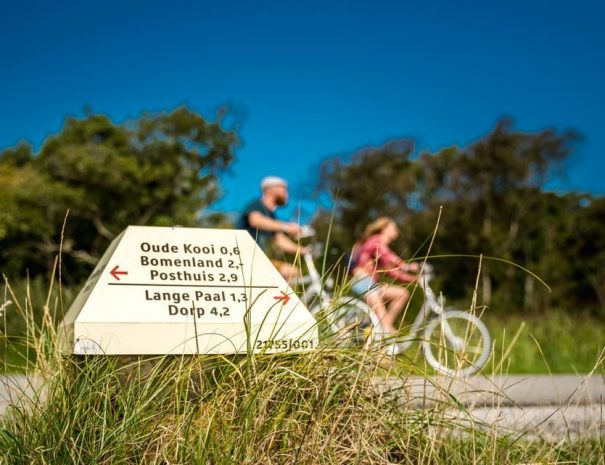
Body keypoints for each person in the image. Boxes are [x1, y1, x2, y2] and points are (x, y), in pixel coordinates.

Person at [350, 217, 419, 335]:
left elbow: (391, 271)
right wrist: (407, 266)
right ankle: (386, 330)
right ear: (383, 229)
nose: (396, 231)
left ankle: (384, 329)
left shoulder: (381, 246)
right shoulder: (376, 241)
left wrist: (412, 279)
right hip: (362, 281)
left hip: (372, 284)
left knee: (402, 294)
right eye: (393, 228)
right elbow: (389, 257)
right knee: (380, 307)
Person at [237, 176, 306, 282]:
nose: (286, 193)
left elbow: (280, 240)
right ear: (271, 190)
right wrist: (285, 226)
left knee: (294, 272)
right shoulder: (257, 205)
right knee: (289, 271)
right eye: (283, 189)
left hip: (258, 259)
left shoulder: (271, 215)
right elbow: (255, 220)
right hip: (245, 258)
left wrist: (303, 250)